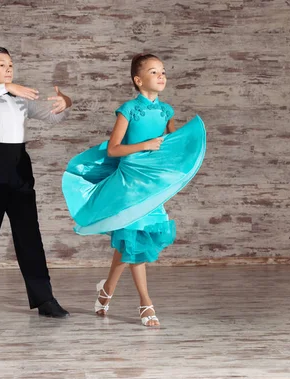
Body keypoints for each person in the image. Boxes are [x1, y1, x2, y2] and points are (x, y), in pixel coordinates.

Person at [62, 54, 206, 326]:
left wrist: (185, 157)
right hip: (129, 182)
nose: (161, 76)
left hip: (150, 185)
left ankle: (105, 292)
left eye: (163, 71)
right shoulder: (128, 109)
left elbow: (171, 147)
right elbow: (115, 148)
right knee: (136, 242)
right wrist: (144, 146)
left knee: (131, 242)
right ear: (139, 80)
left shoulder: (166, 112)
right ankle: (146, 304)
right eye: (154, 72)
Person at [0, 45, 71, 318]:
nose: (8, 69)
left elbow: (53, 118)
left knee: (29, 235)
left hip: (20, 165)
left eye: (10, 64)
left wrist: (65, 102)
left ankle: (45, 301)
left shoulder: (22, 98)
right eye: (1, 65)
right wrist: (8, 88)